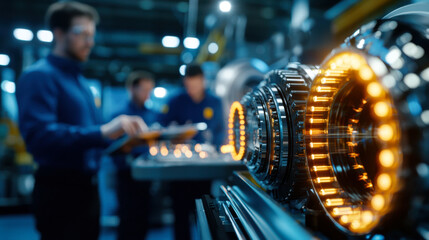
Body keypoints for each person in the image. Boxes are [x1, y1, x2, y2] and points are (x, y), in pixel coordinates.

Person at [16, 2, 147, 240]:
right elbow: (38, 136)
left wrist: (121, 143)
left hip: (87, 189)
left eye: (92, 35)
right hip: (59, 191)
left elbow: (89, 135)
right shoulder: (39, 76)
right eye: (82, 33)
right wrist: (102, 133)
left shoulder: (81, 83)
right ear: (59, 33)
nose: (90, 41)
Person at [161, 64, 225, 240]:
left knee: (204, 214)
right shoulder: (175, 102)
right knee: (180, 216)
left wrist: (215, 148)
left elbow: (220, 133)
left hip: (204, 170)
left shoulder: (215, 102)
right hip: (179, 168)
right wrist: (175, 133)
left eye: (195, 85)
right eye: (188, 86)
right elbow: (163, 129)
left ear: (203, 81)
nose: (192, 90)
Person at [111, 71, 158, 240]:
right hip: (127, 175)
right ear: (132, 89)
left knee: (143, 219)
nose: (147, 95)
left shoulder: (152, 114)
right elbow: (112, 147)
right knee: (127, 219)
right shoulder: (119, 116)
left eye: (149, 90)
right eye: (143, 90)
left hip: (147, 176)